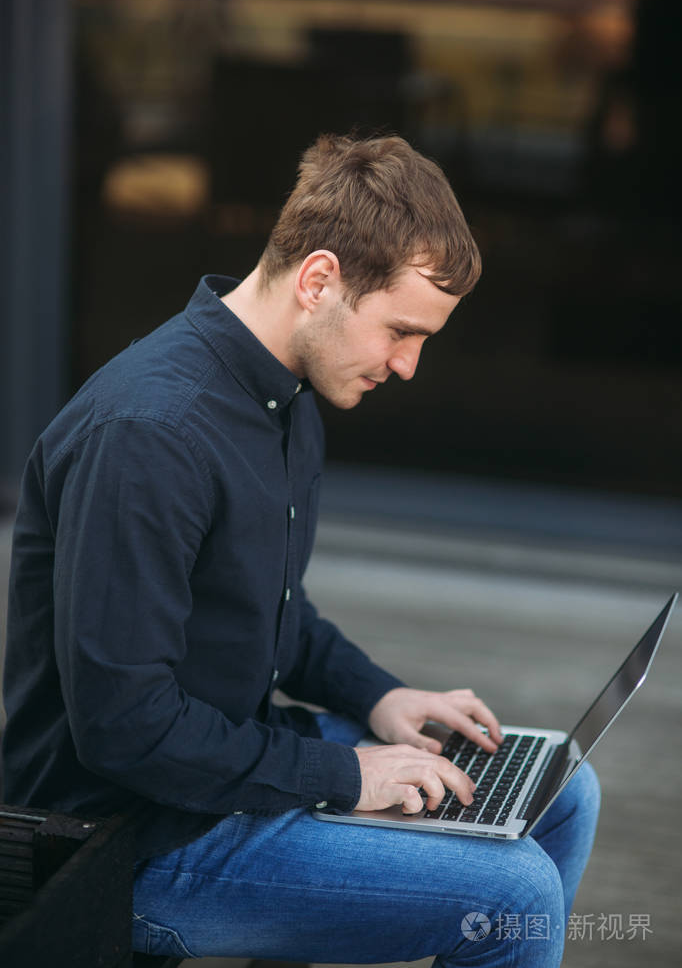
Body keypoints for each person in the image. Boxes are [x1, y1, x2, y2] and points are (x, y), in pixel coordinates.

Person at [2, 134, 599, 967]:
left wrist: (382, 695)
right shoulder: (149, 436)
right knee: (515, 893)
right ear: (319, 280)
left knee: (563, 790)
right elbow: (124, 728)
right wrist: (346, 773)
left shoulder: (288, 396)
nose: (409, 365)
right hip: (131, 840)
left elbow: (273, 609)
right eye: (400, 329)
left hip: (227, 765)